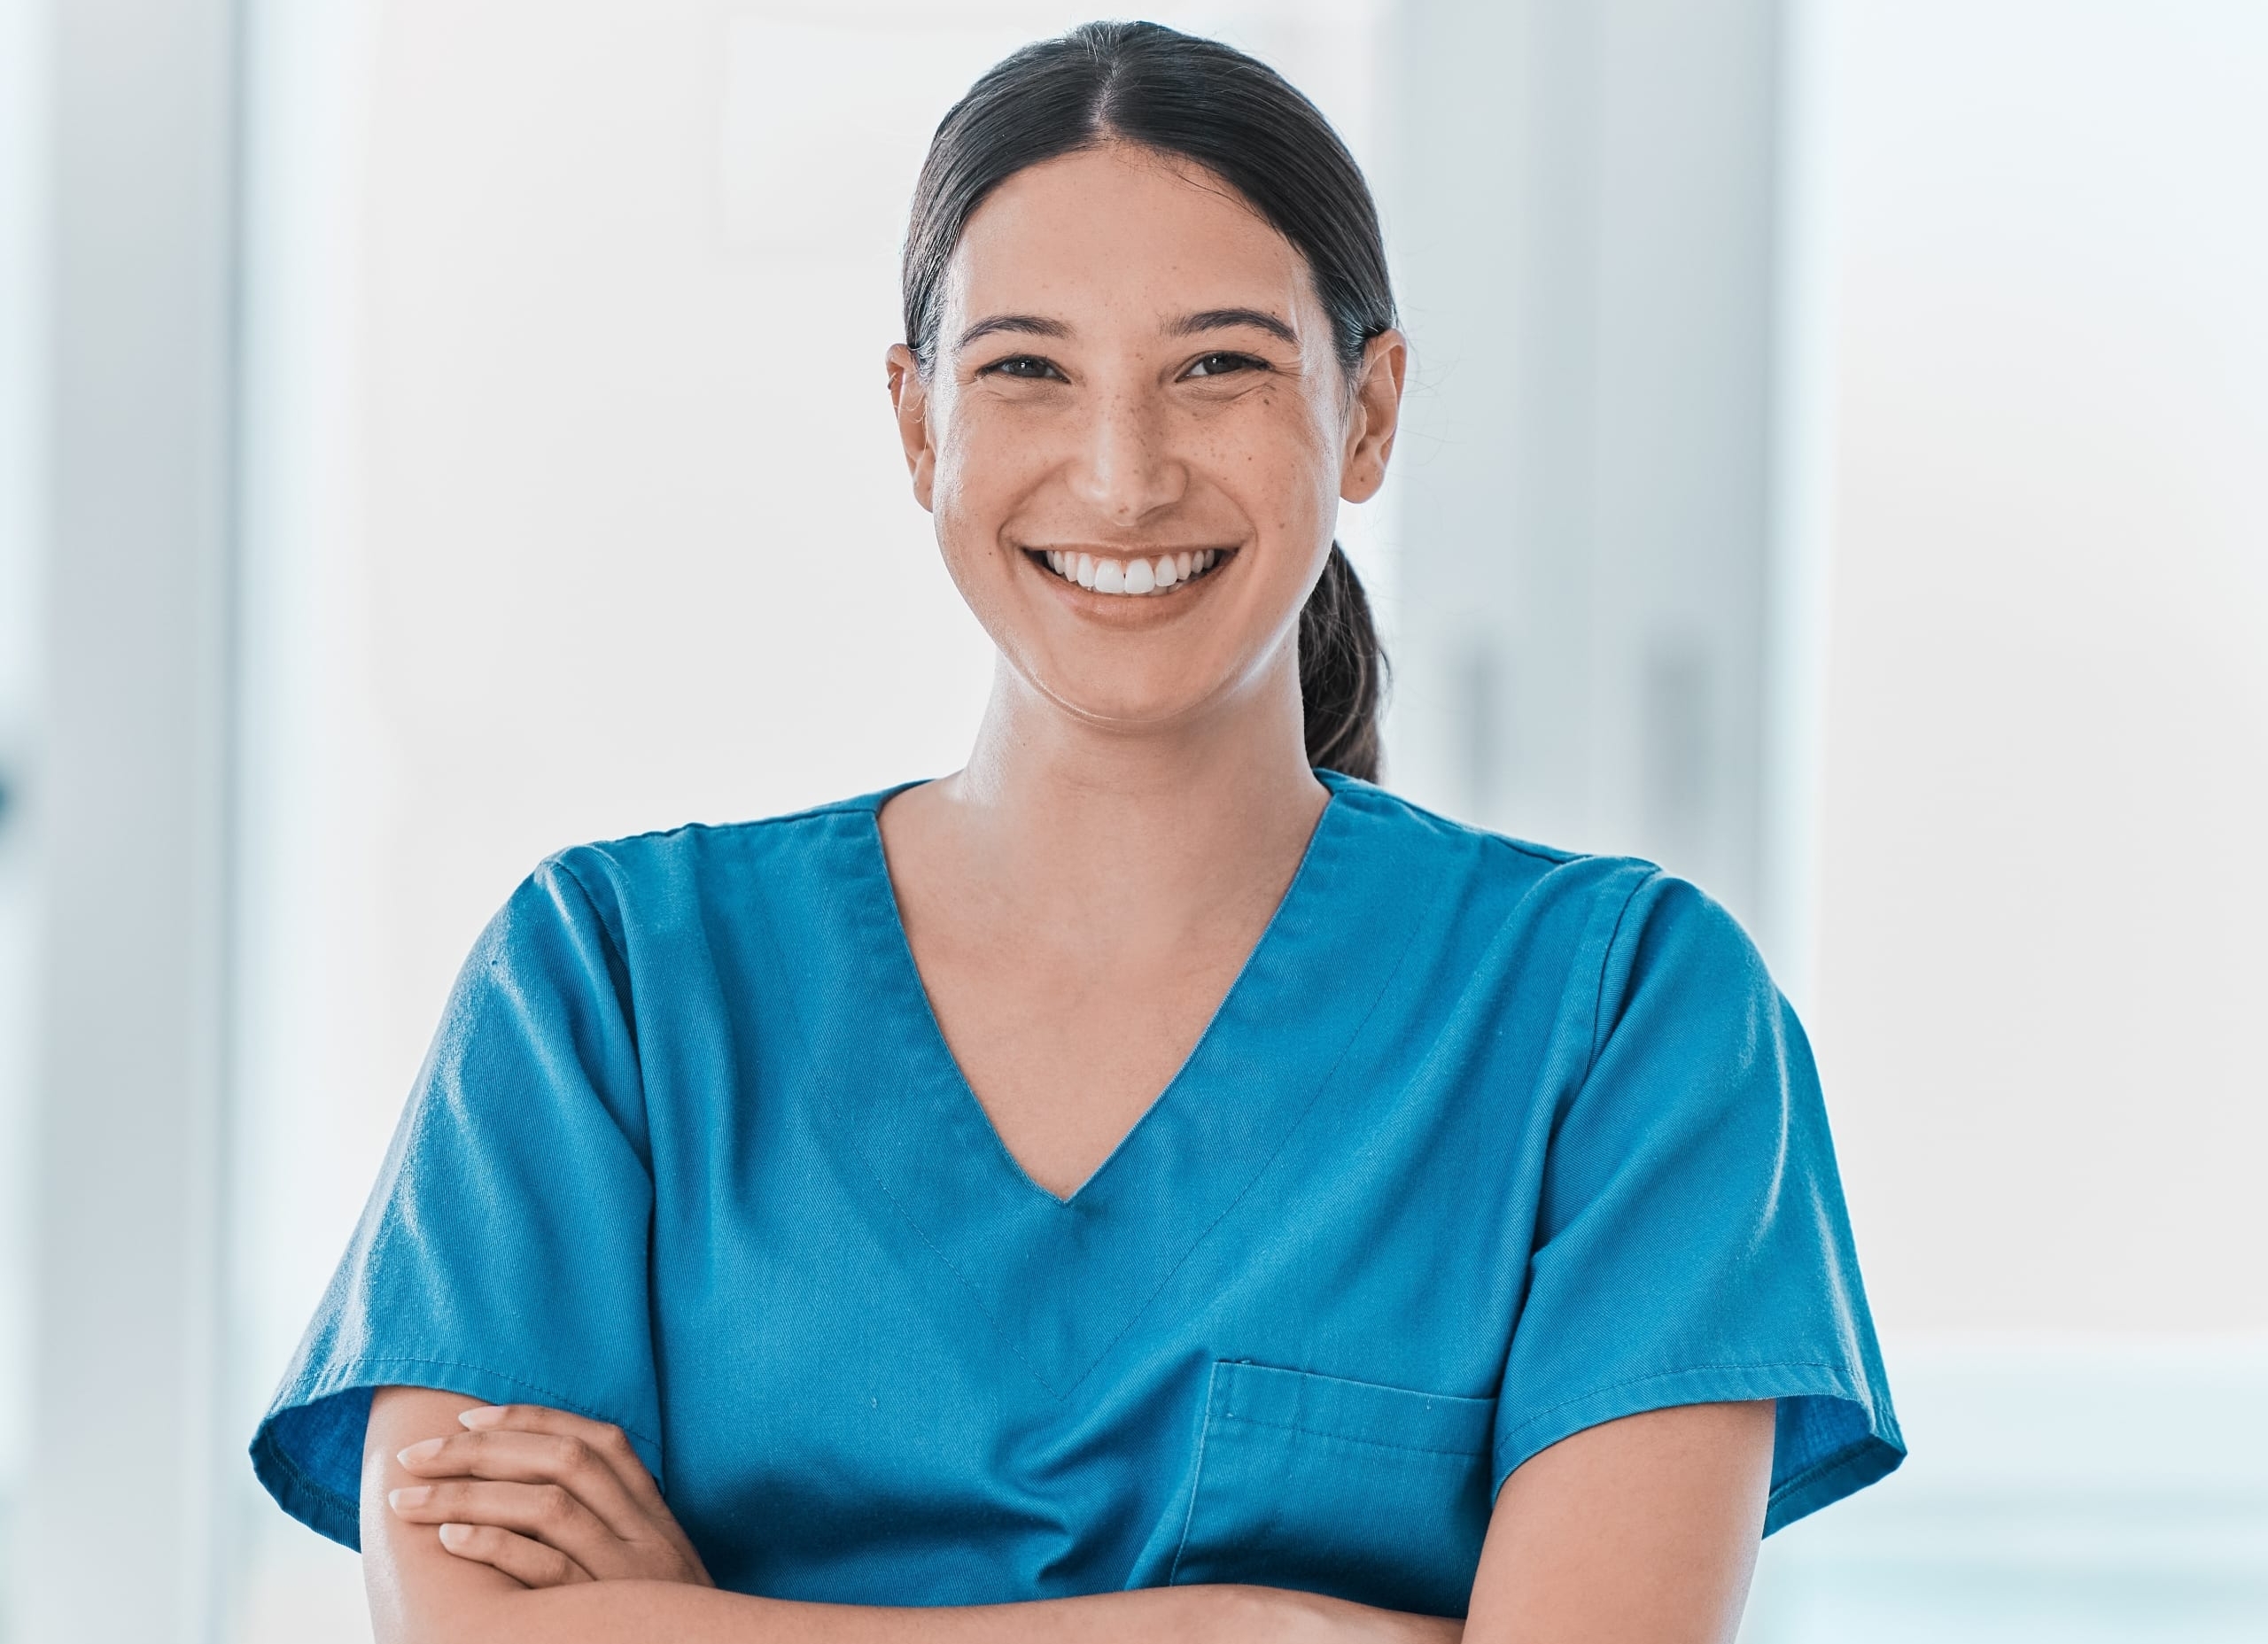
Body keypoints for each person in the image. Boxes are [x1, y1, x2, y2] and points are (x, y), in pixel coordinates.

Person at [252, 21, 1901, 1642]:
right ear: (919, 423)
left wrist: (702, 1623)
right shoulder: (609, 985)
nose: (1123, 479)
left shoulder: (1627, 1022)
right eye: (1026, 369)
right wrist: (1230, 1632)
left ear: (1370, 413)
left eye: (1220, 366)